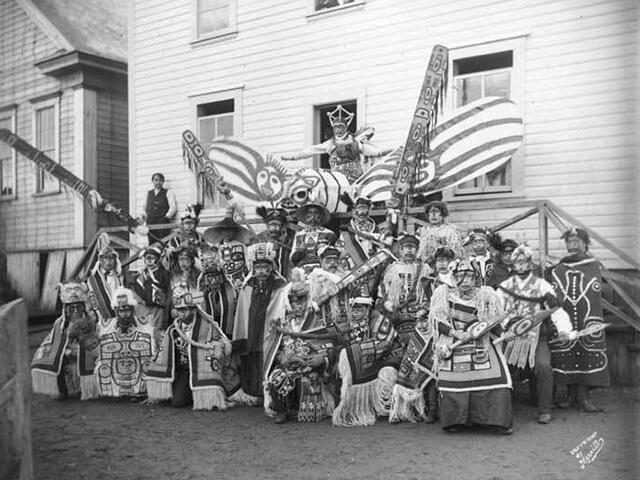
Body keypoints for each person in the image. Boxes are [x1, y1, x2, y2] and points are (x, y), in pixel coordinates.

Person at [430, 258, 513, 434]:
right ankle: (455, 421)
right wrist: (455, 333)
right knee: (451, 380)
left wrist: (506, 334)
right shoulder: (443, 295)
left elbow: (495, 322)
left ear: (475, 278)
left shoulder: (486, 295)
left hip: (482, 343)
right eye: (460, 276)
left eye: (469, 276)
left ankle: (495, 421)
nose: (465, 280)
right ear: (454, 278)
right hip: (455, 343)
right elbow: (437, 321)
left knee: (500, 378)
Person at [146, 285, 256, 409]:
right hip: (184, 370)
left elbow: (223, 346)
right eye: (179, 310)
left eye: (185, 309)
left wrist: (218, 347)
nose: (182, 313)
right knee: (177, 403)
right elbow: (163, 354)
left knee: (207, 396)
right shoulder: (173, 330)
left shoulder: (208, 326)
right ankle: (188, 390)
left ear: (193, 310)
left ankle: (210, 392)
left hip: (206, 368)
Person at [497, 244, 572, 424]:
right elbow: (497, 311)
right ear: (513, 265)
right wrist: (507, 324)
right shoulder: (504, 287)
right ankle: (504, 407)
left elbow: (556, 309)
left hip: (537, 335)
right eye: (518, 262)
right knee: (502, 367)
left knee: (544, 366)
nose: (521, 265)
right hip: (512, 335)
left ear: (531, 264)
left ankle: (545, 409)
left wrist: (564, 329)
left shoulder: (542, 285)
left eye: (525, 262)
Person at [263, 268, 335, 423]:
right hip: (288, 364)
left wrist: (321, 358)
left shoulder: (316, 320)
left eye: (301, 301)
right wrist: (282, 357)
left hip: (309, 365)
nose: (298, 305)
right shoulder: (281, 324)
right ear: (288, 303)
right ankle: (280, 410)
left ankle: (300, 408)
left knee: (309, 377)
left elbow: (327, 343)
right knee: (277, 377)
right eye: (294, 302)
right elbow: (272, 348)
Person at [549, 227, 609, 412]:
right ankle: (570, 396)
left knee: (585, 352)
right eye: (569, 242)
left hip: (587, 317)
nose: (572, 245)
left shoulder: (593, 266)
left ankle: (584, 397)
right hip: (566, 317)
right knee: (567, 352)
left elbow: (596, 290)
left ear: (585, 243)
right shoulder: (560, 267)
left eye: (576, 241)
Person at [375, 233, 431, 416]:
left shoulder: (425, 269)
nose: (409, 251)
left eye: (412, 247)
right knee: (394, 365)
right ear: (399, 249)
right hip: (397, 324)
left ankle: (420, 406)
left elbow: (432, 294)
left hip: (420, 323)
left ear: (417, 249)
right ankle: (395, 406)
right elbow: (381, 292)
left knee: (420, 363)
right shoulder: (391, 269)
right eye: (405, 247)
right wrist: (388, 304)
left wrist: (425, 310)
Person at [281, 105, 393, 183]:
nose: (338, 130)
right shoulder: (330, 144)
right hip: (337, 179)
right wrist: (293, 157)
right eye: (336, 127)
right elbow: (311, 150)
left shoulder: (355, 142)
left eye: (341, 127)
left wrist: (390, 150)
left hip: (355, 179)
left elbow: (374, 152)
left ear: (346, 127)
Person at [332, 296, 397, 426]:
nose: (356, 313)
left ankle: (387, 408)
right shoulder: (346, 324)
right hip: (359, 364)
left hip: (384, 359)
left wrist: (359, 350)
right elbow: (339, 345)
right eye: (354, 311)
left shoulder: (379, 320)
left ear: (367, 309)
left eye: (360, 310)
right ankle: (360, 406)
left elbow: (385, 343)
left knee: (387, 374)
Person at [233, 243, 287, 398]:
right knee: (251, 359)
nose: (262, 271)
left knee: (269, 356)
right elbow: (242, 313)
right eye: (258, 268)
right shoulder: (247, 285)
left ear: (271, 267)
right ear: (253, 268)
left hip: (269, 331)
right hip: (251, 330)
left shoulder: (280, 286)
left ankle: (269, 390)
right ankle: (252, 391)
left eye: (265, 267)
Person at [31, 282, 100, 400]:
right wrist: (66, 351)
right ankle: (63, 390)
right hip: (68, 356)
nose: (75, 311)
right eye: (71, 308)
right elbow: (54, 343)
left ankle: (89, 389)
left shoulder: (92, 321)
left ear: (84, 307)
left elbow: (96, 343)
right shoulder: (60, 324)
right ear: (65, 309)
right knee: (56, 361)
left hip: (89, 356)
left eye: (78, 307)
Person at [94, 287, 155, 398]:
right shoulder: (105, 326)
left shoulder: (146, 324)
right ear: (116, 311)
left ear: (133, 310)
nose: (124, 314)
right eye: (120, 311)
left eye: (127, 310)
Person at [203, 203, 253, 287]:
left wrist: (247, 278)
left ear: (234, 231)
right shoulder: (216, 248)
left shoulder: (241, 246)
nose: (228, 233)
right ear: (221, 231)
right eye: (225, 230)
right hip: (225, 282)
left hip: (242, 279)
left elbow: (248, 263)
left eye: (230, 230)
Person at [130, 244, 171, 333]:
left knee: (157, 332)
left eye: (152, 258)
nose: (149, 261)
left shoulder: (164, 274)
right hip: (143, 309)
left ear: (157, 259)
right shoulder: (140, 275)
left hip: (158, 309)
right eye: (147, 258)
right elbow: (137, 291)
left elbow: (167, 292)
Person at [197, 249, 237, 339]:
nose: (214, 280)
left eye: (216, 276)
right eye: (210, 277)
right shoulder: (203, 293)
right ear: (205, 278)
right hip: (208, 337)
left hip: (229, 335)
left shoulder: (230, 291)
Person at [290, 197, 336, 265]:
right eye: (310, 213)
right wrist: (300, 252)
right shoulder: (299, 234)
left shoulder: (329, 233)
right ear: (306, 216)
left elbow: (336, 254)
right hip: (303, 269)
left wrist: (326, 249)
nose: (313, 216)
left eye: (316, 213)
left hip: (323, 270)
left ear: (320, 216)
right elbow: (292, 258)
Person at [86, 245, 122, 325]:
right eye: (105, 258)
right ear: (100, 260)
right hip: (99, 319)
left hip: (118, 318)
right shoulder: (92, 280)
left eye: (111, 258)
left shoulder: (120, 278)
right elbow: (89, 300)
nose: (108, 262)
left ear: (115, 260)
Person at [255, 205, 293, 278]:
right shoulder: (260, 239)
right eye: (271, 224)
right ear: (266, 225)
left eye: (277, 225)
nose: (274, 228)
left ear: (282, 226)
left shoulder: (289, 239)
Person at [139, 172, 178, 241]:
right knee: (152, 240)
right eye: (156, 180)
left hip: (162, 220)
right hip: (151, 220)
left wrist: (167, 216)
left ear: (163, 182)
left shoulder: (168, 192)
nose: (158, 182)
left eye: (160, 180)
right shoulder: (148, 193)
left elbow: (173, 207)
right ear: (153, 181)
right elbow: (143, 206)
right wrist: (145, 216)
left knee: (163, 240)